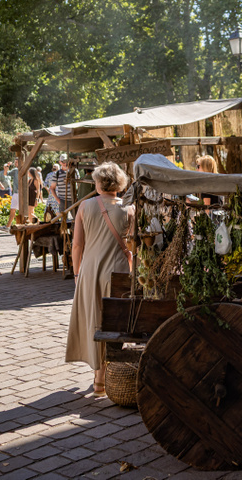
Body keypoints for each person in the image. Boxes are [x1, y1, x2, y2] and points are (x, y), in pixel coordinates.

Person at [66, 162, 135, 397]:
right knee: (115, 322)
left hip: (91, 271)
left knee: (95, 320)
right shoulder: (129, 209)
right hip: (119, 272)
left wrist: (77, 273)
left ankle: (98, 377)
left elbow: (77, 245)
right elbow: (134, 245)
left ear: (99, 183)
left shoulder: (85, 206)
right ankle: (113, 373)